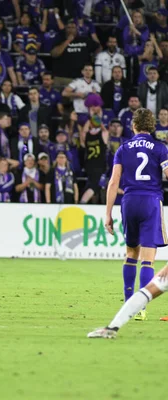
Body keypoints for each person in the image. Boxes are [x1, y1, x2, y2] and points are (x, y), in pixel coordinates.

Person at [88, 108, 168, 338]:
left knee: (130, 253)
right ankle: (141, 308)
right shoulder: (160, 148)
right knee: (148, 257)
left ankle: (128, 300)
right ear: (151, 126)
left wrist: (107, 214)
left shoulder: (123, 149)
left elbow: (113, 182)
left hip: (129, 201)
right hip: (151, 201)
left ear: (133, 126)